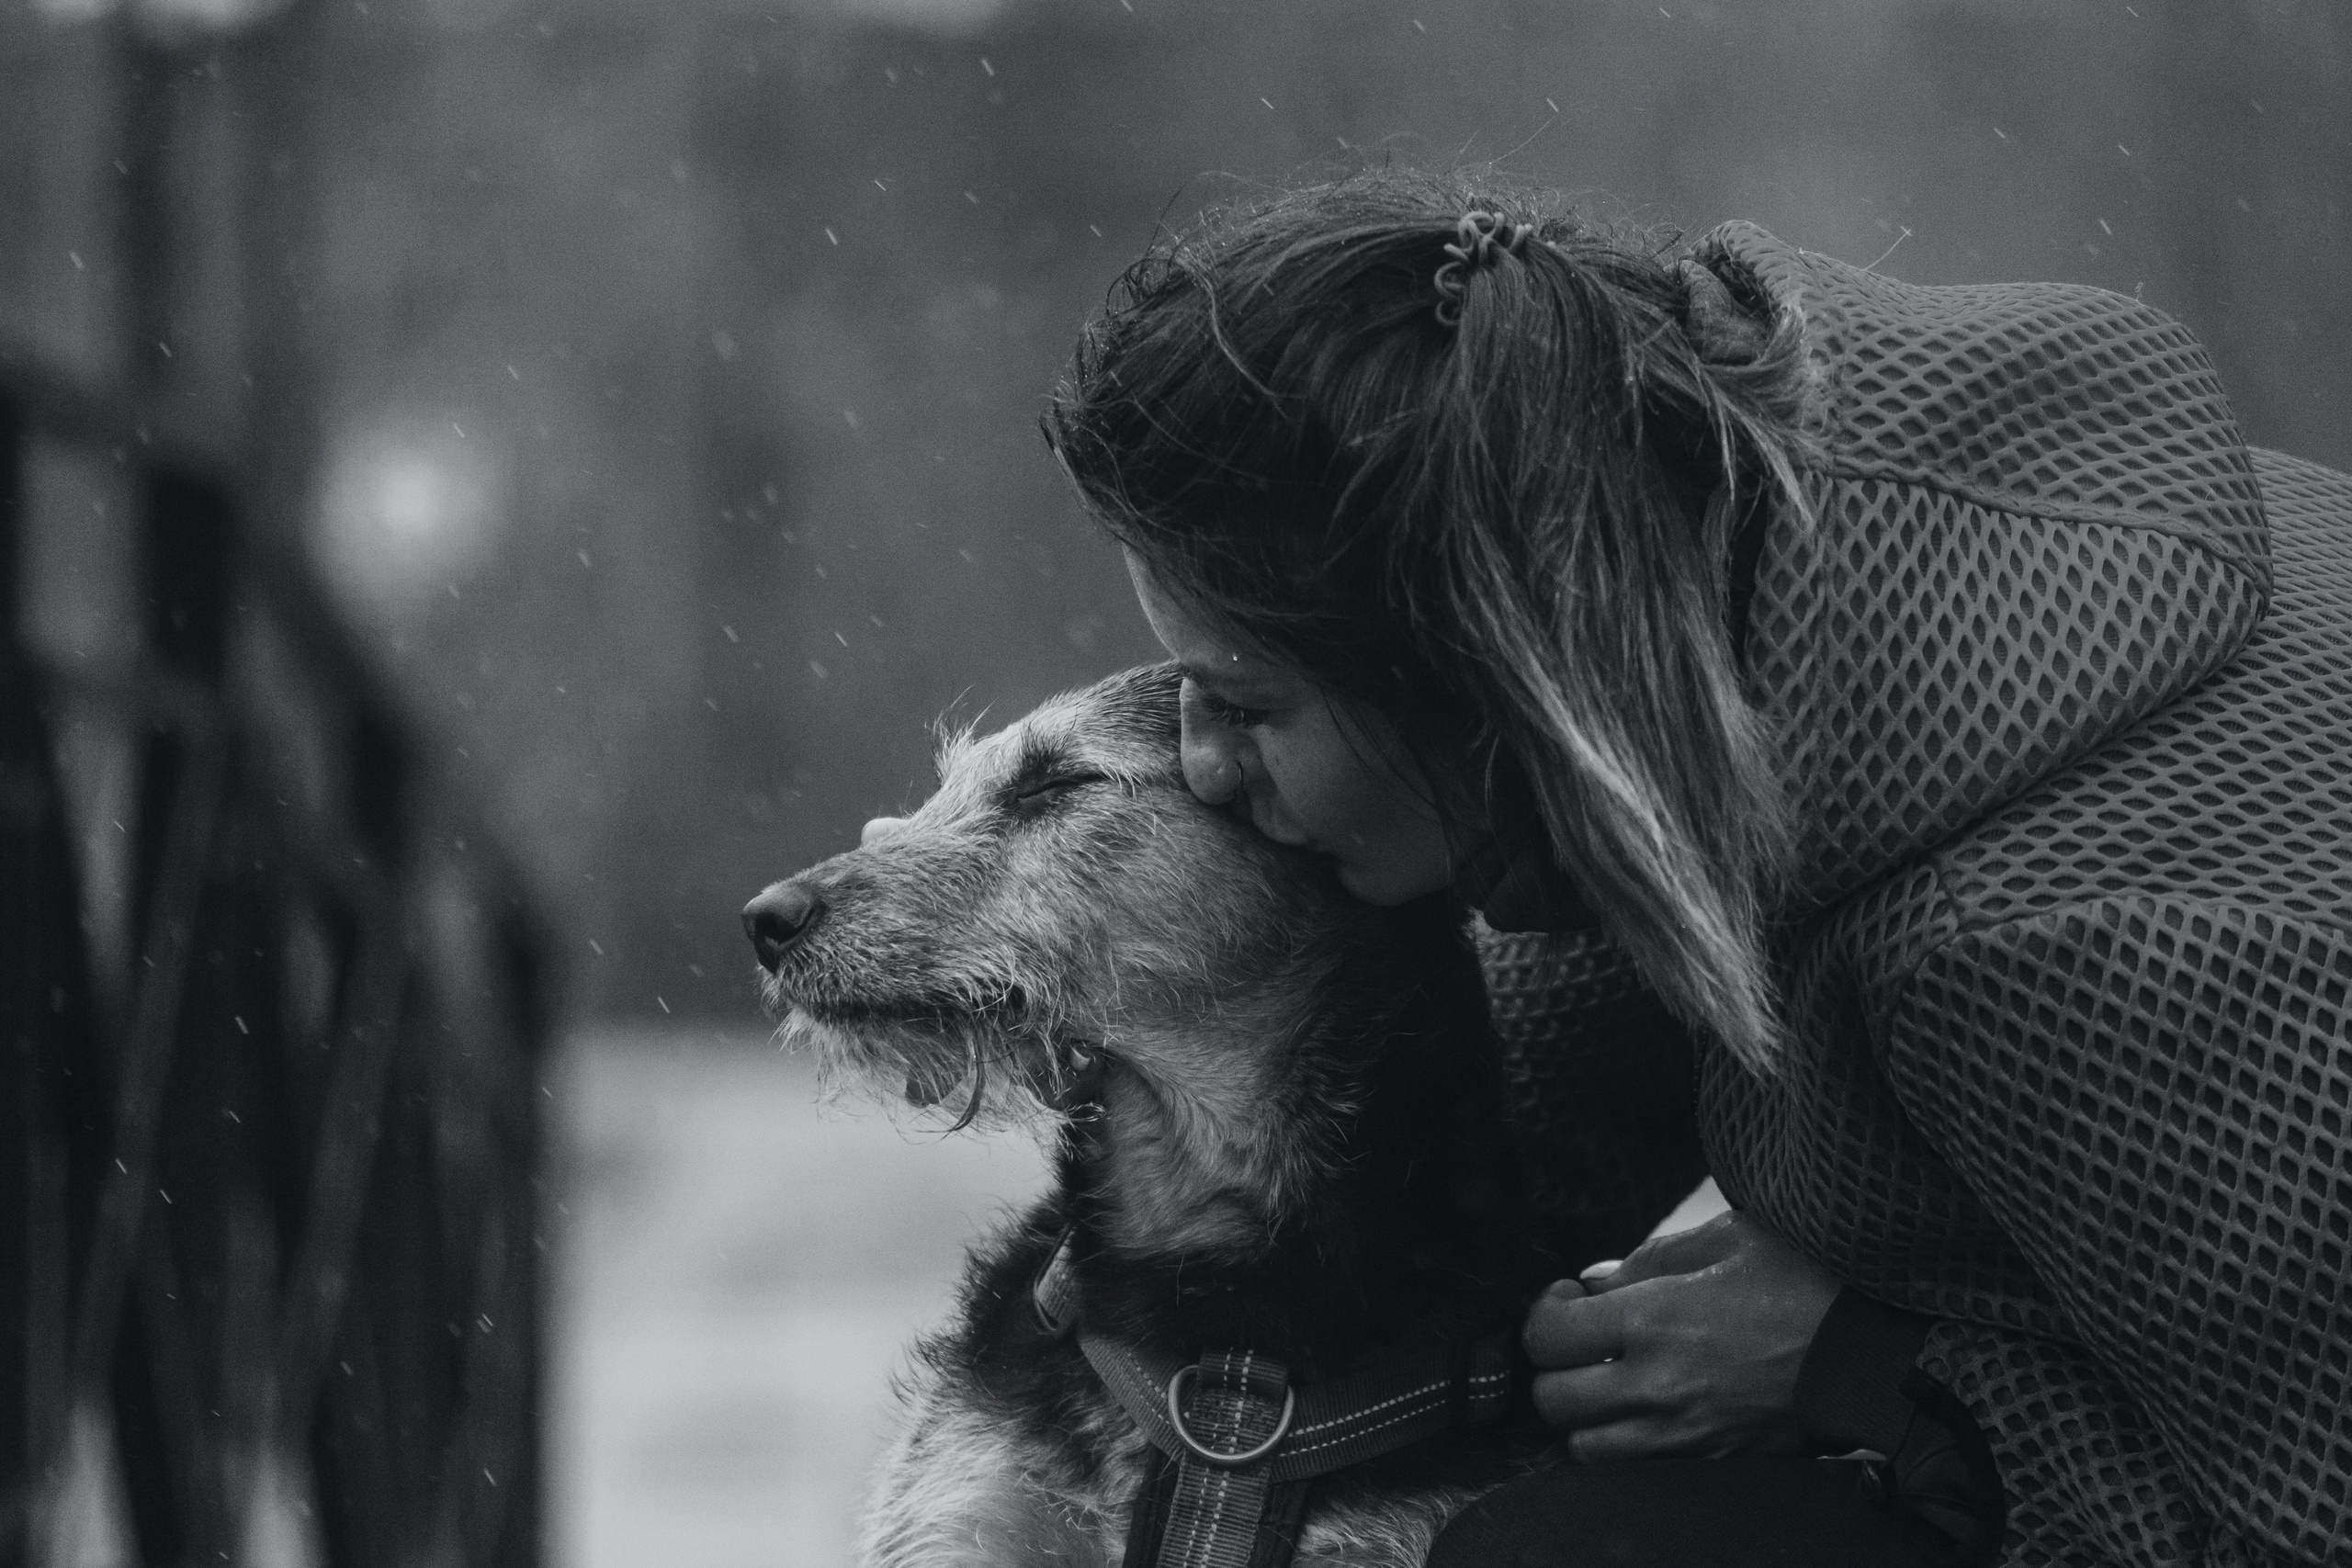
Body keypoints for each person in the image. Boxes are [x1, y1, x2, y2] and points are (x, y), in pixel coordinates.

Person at [1025, 167, 2352, 1566]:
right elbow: (1561, 1070)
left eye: (1244, 706)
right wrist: (1199, 1251)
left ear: (1488, 682)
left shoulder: (2075, 946)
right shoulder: (1726, 584)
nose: (1204, 769)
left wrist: (1874, 1369)